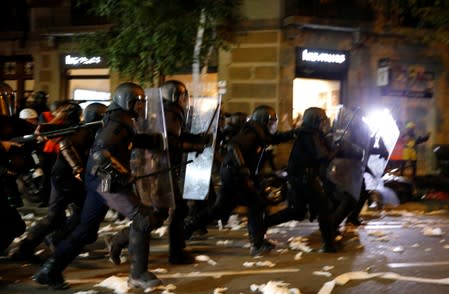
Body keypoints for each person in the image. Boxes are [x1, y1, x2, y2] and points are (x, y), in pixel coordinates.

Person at [32, 82, 167, 290]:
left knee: (86, 230)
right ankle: (138, 274)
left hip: (98, 181)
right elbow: (102, 153)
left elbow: (127, 142)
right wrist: (121, 175)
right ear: (125, 101)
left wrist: (154, 141)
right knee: (143, 217)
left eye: (142, 103)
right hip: (107, 181)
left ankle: (50, 269)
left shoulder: (119, 120)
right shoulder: (117, 123)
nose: (140, 107)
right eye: (136, 102)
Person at [185, 105, 296, 256]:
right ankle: (257, 244)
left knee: (221, 209)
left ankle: (187, 228)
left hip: (233, 173)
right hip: (235, 174)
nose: (271, 126)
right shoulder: (251, 131)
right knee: (256, 204)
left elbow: (274, 138)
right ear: (262, 120)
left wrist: (293, 133)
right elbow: (234, 145)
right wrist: (243, 167)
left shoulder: (259, 131)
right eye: (270, 122)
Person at [11, 103, 107, 262]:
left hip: (71, 178)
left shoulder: (88, 130)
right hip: (64, 178)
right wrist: (78, 169)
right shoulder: (82, 131)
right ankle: (24, 248)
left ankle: (59, 239)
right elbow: (66, 145)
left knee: (81, 214)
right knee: (55, 217)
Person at [264, 107, 339, 252]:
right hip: (305, 178)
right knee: (324, 208)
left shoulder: (309, 133)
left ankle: (263, 223)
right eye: (321, 120)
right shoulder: (309, 134)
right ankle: (329, 244)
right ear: (315, 121)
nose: (323, 124)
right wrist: (335, 148)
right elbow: (321, 155)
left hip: (300, 177)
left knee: (297, 212)